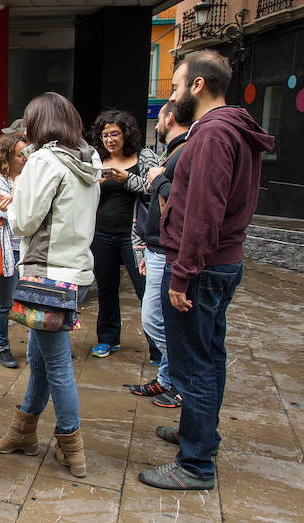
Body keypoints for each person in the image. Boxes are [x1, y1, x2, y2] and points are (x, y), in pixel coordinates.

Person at [139, 50, 274, 491]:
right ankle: (200, 436)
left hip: (201, 267)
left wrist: (182, 273)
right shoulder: (230, 128)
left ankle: (195, 464)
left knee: (193, 363)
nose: (172, 95)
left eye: (176, 86)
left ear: (198, 85)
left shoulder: (214, 135)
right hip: (217, 263)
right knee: (209, 356)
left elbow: (203, 211)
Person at [0, 92, 100, 480]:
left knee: (56, 363)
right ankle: (23, 433)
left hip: (48, 277)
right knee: (39, 357)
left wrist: (13, 200)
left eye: (28, 120)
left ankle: (72, 447)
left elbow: (23, 222)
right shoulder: (88, 158)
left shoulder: (44, 160)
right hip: (77, 274)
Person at [128, 102, 192, 409]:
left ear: (167, 118)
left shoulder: (183, 152)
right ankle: (168, 380)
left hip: (166, 253)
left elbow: (180, 205)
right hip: (154, 250)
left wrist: (158, 180)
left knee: (153, 320)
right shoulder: (174, 152)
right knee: (159, 318)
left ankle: (184, 378)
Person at [88, 110, 159, 358]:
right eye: (105, 135)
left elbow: (155, 189)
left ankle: (158, 347)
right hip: (102, 234)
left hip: (135, 237)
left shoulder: (144, 157)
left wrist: (127, 179)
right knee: (107, 289)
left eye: (115, 133)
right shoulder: (97, 161)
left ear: (126, 133)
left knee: (145, 290)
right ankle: (108, 339)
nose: (109, 140)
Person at [0, 133, 28, 369]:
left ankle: (36, 347)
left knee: (28, 301)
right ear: (7, 156)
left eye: (25, 153)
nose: (24, 158)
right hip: (8, 250)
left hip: (28, 250)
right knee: (4, 303)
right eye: (20, 154)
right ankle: (2, 347)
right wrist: (16, 198)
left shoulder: (28, 178)